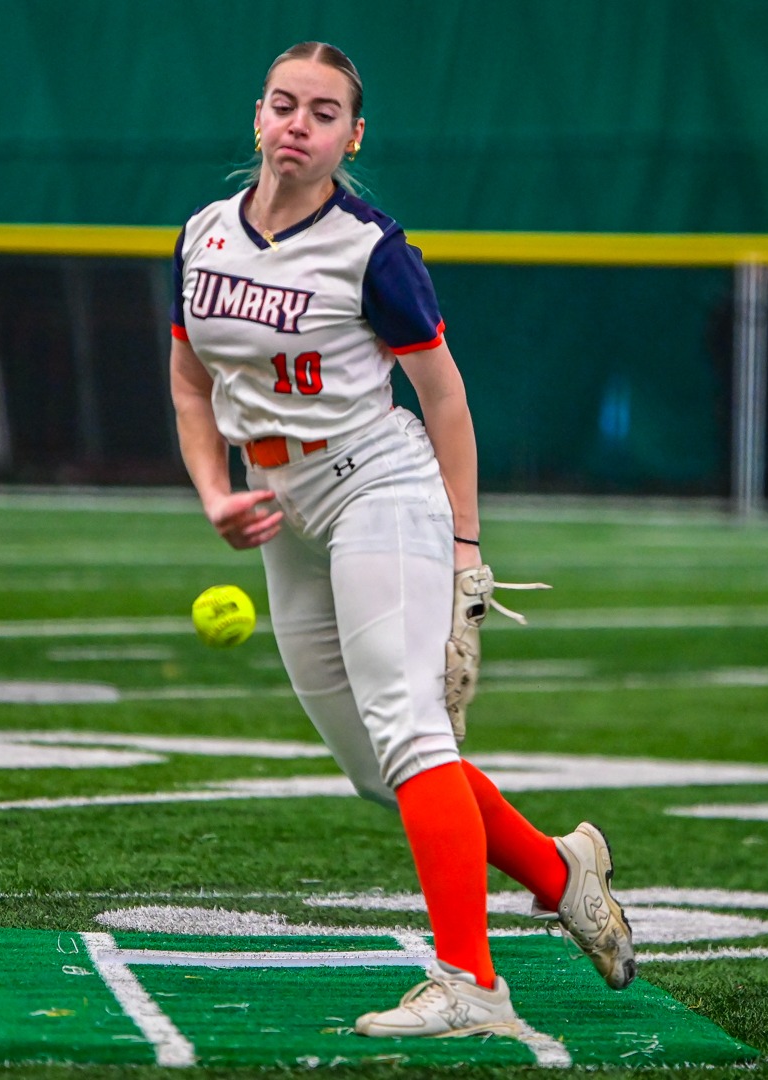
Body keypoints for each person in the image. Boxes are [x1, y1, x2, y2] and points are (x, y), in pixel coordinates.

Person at [168, 42, 636, 1039]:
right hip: (278, 501)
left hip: (379, 480)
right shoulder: (203, 235)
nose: (299, 124)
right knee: (380, 772)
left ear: (351, 137)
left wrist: (467, 550)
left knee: (410, 725)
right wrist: (215, 490)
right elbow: (188, 381)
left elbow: (446, 399)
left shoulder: (370, 248)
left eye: (323, 112)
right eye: (285, 104)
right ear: (257, 116)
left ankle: (471, 983)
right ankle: (563, 871)